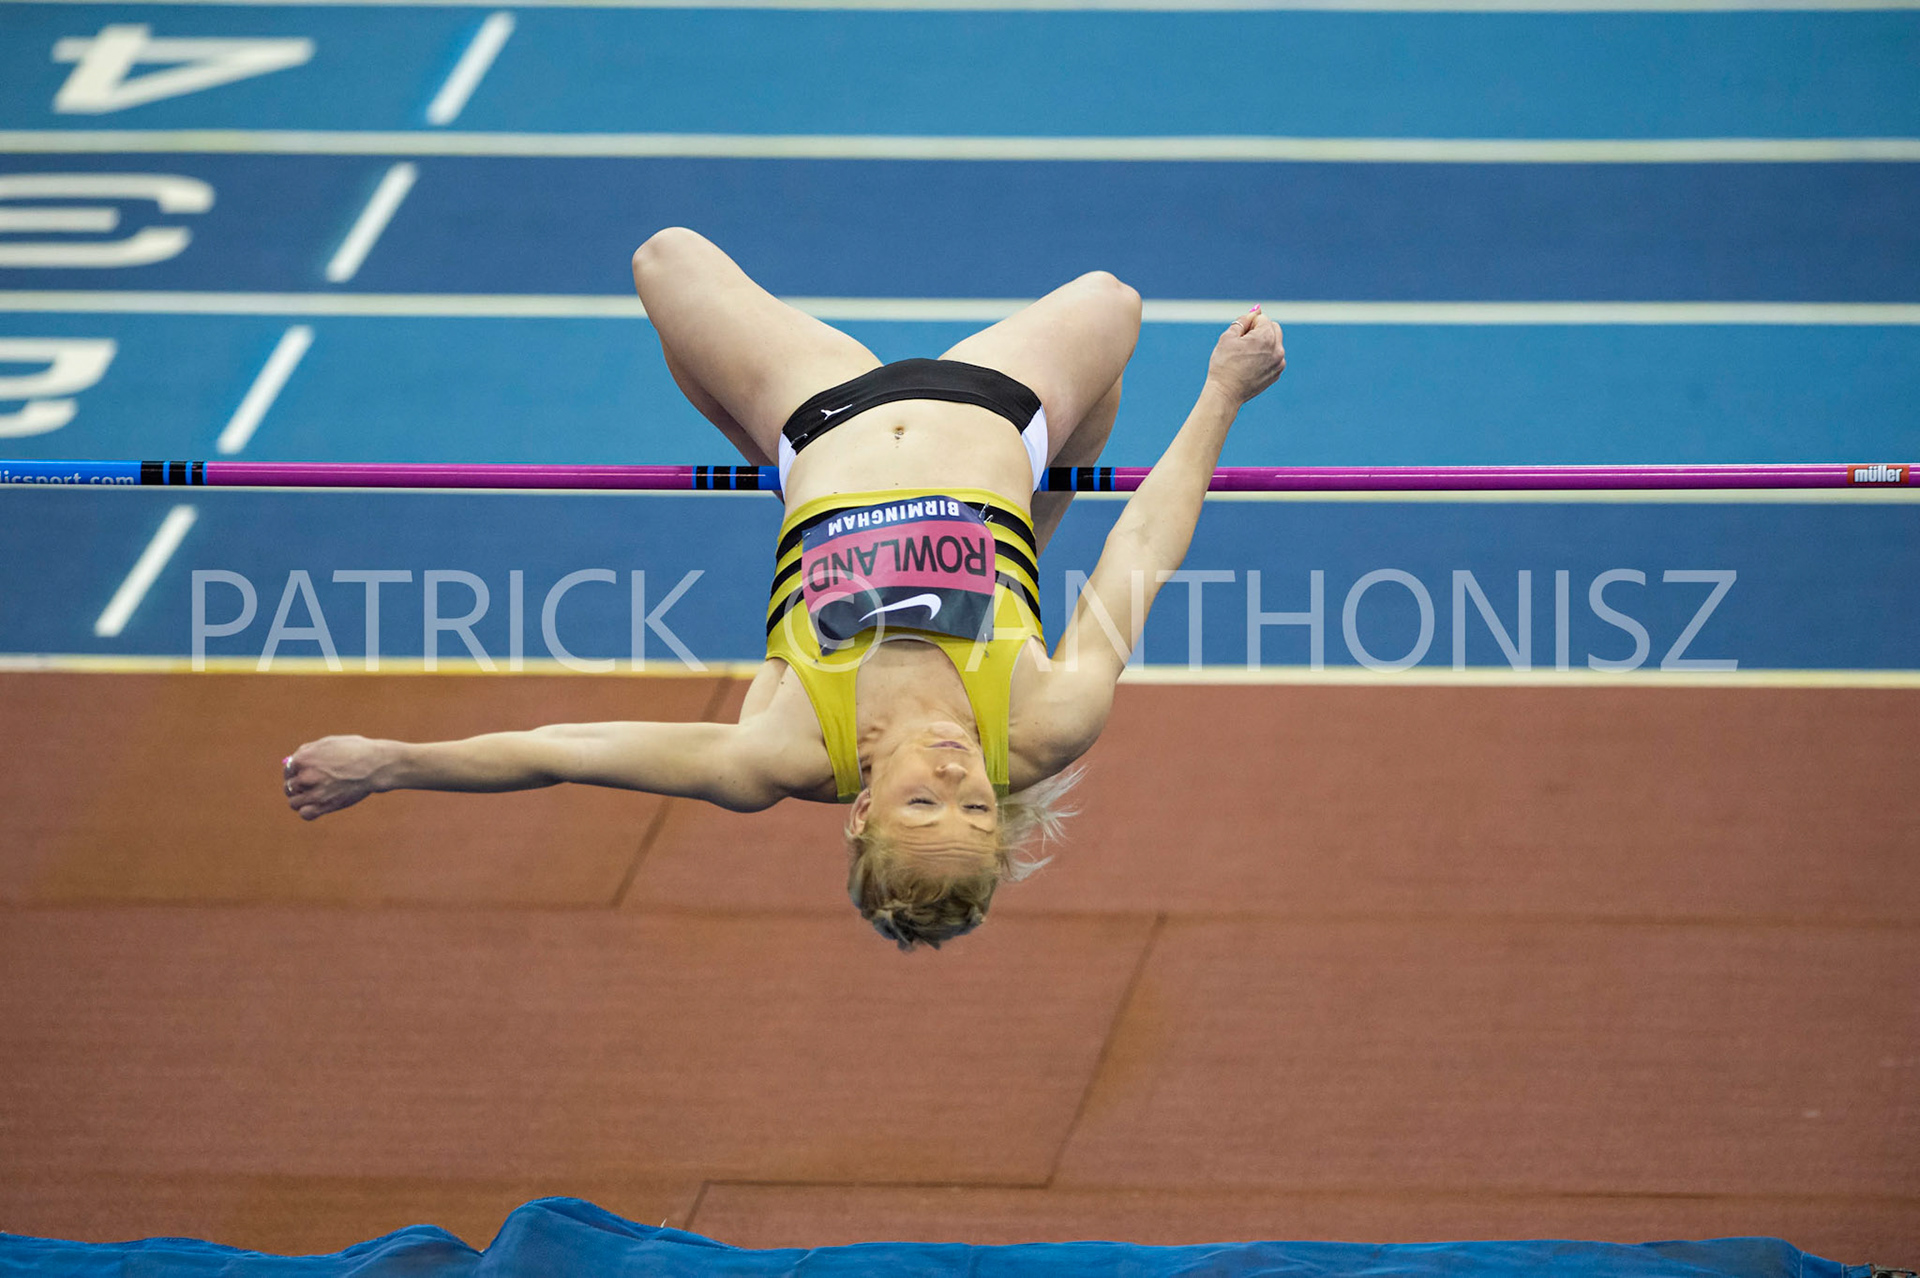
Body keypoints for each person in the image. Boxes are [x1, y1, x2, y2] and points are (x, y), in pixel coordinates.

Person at [284, 228, 1286, 950]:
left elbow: (568, 751)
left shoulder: (778, 751)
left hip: (819, 416)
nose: (955, 776)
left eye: (922, 802)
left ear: (859, 815)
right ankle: (1023, 505)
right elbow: (1144, 546)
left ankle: (765, 453)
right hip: (998, 410)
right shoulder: (1047, 719)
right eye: (975, 810)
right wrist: (1222, 392)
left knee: (664, 259)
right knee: (1113, 300)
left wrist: (389, 762)